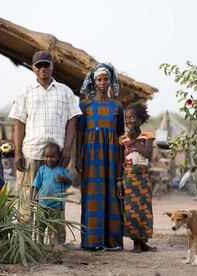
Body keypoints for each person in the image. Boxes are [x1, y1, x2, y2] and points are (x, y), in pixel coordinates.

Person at [8, 50, 82, 235]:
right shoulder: (25, 92)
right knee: (28, 199)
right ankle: (25, 241)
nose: (42, 69)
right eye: (38, 65)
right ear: (33, 68)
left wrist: (67, 149)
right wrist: (17, 152)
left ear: (52, 66)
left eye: (45, 65)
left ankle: (55, 243)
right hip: (31, 153)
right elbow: (19, 122)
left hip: (56, 158)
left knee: (54, 200)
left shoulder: (65, 92)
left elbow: (73, 120)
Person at [76, 63, 124, 250]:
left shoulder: (117, 107)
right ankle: (92, 241)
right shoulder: (85, 105)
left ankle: (112, 241)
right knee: (93, 195)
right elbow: (80, 134)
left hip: (112, 158)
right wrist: (78, 157)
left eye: (106, 79)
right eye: (99, 79)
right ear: (93, 82)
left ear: (111, 81)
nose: (103, 82)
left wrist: (121, 160)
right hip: (91, 157)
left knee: (112, 195)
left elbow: (121, 136)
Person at [119, 102, 156, 253]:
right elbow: (120, 159)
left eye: (132, 117)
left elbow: (147, 153)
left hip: (143, 177)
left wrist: (134, 141)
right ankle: (136, 244)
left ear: (140, 119)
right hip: (128, 177)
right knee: (131, 210)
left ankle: (143, 242)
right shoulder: (122, 139)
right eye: (127, 118)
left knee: (144, 210)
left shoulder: (147, 136)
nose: (129, 121)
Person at [31, 142, 72, 247]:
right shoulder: (42, 169)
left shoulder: (61, 170)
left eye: (52, 157)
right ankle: (40, 243)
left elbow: (70, 182)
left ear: (58, 157)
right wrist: (35, 196)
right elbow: (37, 184)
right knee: (41, 224)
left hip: (56, 204)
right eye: (46, 157)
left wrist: (63, 178)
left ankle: (56, 244)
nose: (49, 159)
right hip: (43, 203)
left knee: (56, 225)